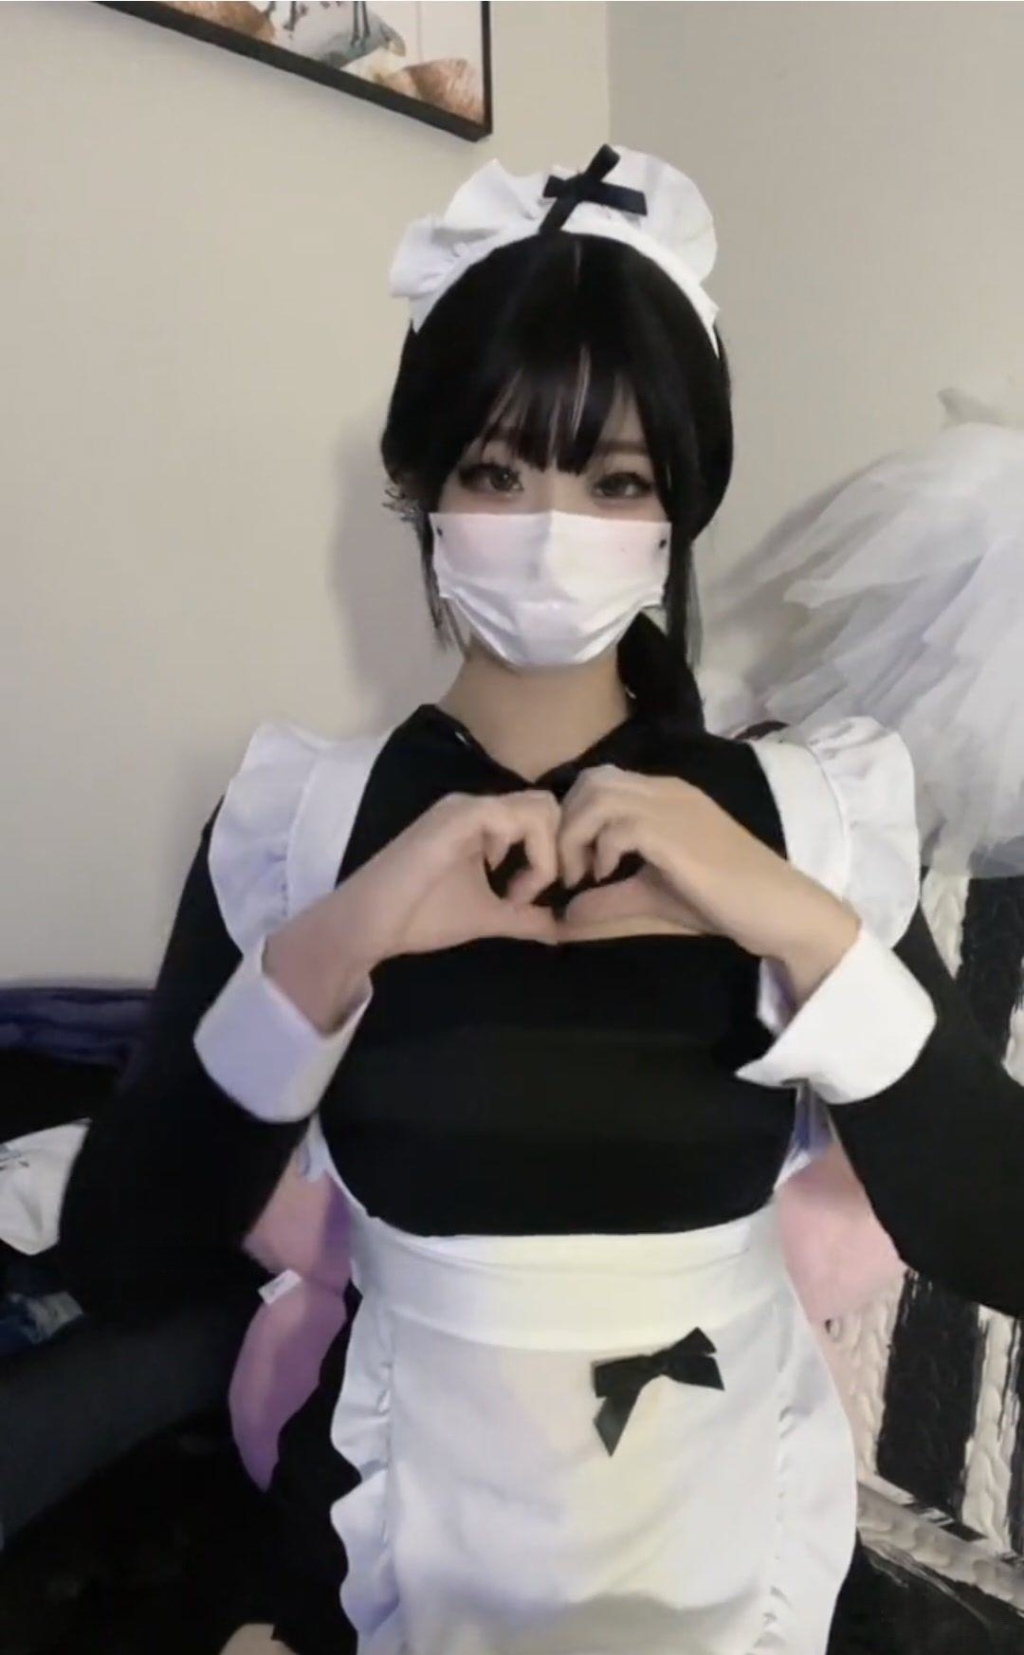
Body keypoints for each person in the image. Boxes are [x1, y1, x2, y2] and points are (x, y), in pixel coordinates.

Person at [57, 144, 1024, 1655]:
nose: (552, 523)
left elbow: (1002, 1233)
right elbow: (126, 1257)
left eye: (615, 479)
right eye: (499, 472)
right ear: (425, 488)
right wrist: (339, 943)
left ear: (674, 508)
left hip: (738, 1559)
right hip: (390, 1549)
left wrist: (798, 925)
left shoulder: (807, 817)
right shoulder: (301, 819)